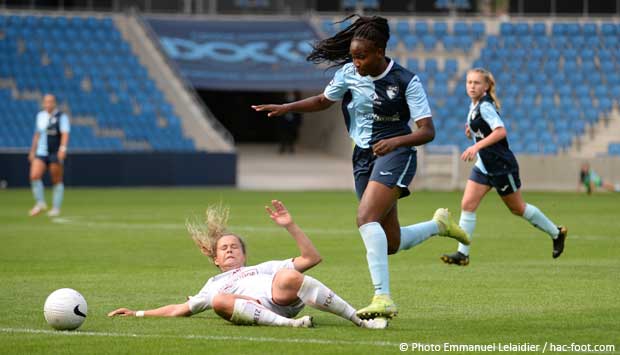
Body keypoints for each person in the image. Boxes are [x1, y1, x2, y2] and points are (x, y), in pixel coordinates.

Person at [252, 15, 470, 320]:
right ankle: (439, 226)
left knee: (365, 217)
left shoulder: (407, 81)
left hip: (397, 153)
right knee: (390, 242)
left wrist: (396, 142)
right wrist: (287, 107)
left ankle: (383, 298)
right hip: (363, 157)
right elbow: (322, 100)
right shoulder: (348, 73)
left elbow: (427, 131)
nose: (356, 62)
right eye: (353, 56)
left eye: (361, 56)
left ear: (380, 51)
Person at [108, 200, 388, 329]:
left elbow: (311, 259)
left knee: (287, 275)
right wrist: (138, 313)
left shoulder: (262, 268)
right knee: (219, 301)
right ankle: (291, 326)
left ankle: (359, 320)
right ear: (216, 259)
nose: (230, 250)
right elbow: (179, 310)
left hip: (281, 297)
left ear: (243, 255)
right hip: (253, 309)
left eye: (234, 247)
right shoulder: (212, 285)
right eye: (224, 249)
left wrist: (290, 226)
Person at [440, 68, 568, 267]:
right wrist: (472, 131)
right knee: (468, 205)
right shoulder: (473, 105)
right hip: (484, 165)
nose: (472, 86)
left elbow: (500, 131)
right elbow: (484, 129)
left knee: (518, 208)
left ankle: (556, 232)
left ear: (486, 86)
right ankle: (462, 254)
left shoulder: (485, 106)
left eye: (476, 83)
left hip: (501, 166)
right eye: (469, 82)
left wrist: (476, 145)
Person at [28, 94, 70, 217]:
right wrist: (32, 150)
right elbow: (37, 134)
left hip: (54, 152)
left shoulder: (61, 117)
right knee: (34, 176)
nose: (48, 104)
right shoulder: (40, 116)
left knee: (56, 179)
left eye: (50, 101)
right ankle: (40, 203)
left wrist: (63, 149)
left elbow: (65, 134)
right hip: (41, 152)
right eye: (46, 102)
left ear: (54, 103)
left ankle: (56, 207)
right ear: (43, 103)